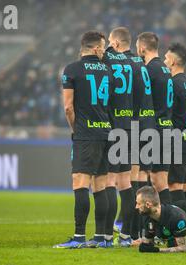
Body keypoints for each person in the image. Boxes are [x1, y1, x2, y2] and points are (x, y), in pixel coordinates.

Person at [54, 31, 112, 248]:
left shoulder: (72, 70)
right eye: (103, 47)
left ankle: (78, 238)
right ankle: (100, 238)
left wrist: (75, 129)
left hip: (86, 134)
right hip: (106, 133)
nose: (104, 51)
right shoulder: (108, 71)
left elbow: (68, 107)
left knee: (80, 182)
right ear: (96, 48)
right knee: (100, 185)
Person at [100, 27, 136, 247]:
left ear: (115, 43)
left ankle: (105, 234)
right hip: (129, 125)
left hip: (113, 126)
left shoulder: (108, 57)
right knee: (126, 182)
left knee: (111, 181)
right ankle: (126, 236)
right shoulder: (132, 63)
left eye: (110, 42)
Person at [123, 31, 157, 243]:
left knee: (132, 179)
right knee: (145, 178)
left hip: (138, 125)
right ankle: (144, 232)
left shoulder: (142, 67)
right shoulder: (157, 67)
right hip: (151, 125)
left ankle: (132, 232)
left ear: (142, 48)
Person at [136, 32, 173, 206]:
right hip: (167, 127)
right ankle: (166, 226)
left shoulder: (148, 70)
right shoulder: (166, 70)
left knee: (142, 175)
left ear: (142, 48)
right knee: (160, 181)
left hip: (154, 127)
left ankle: (140, 226)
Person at [163, 43, 186, 226]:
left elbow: (170, 112)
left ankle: (181, 228)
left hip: (178, 138)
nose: (164, 61)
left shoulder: (173, 83)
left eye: (166, 58)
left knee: (175, 186)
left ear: (174, 61)